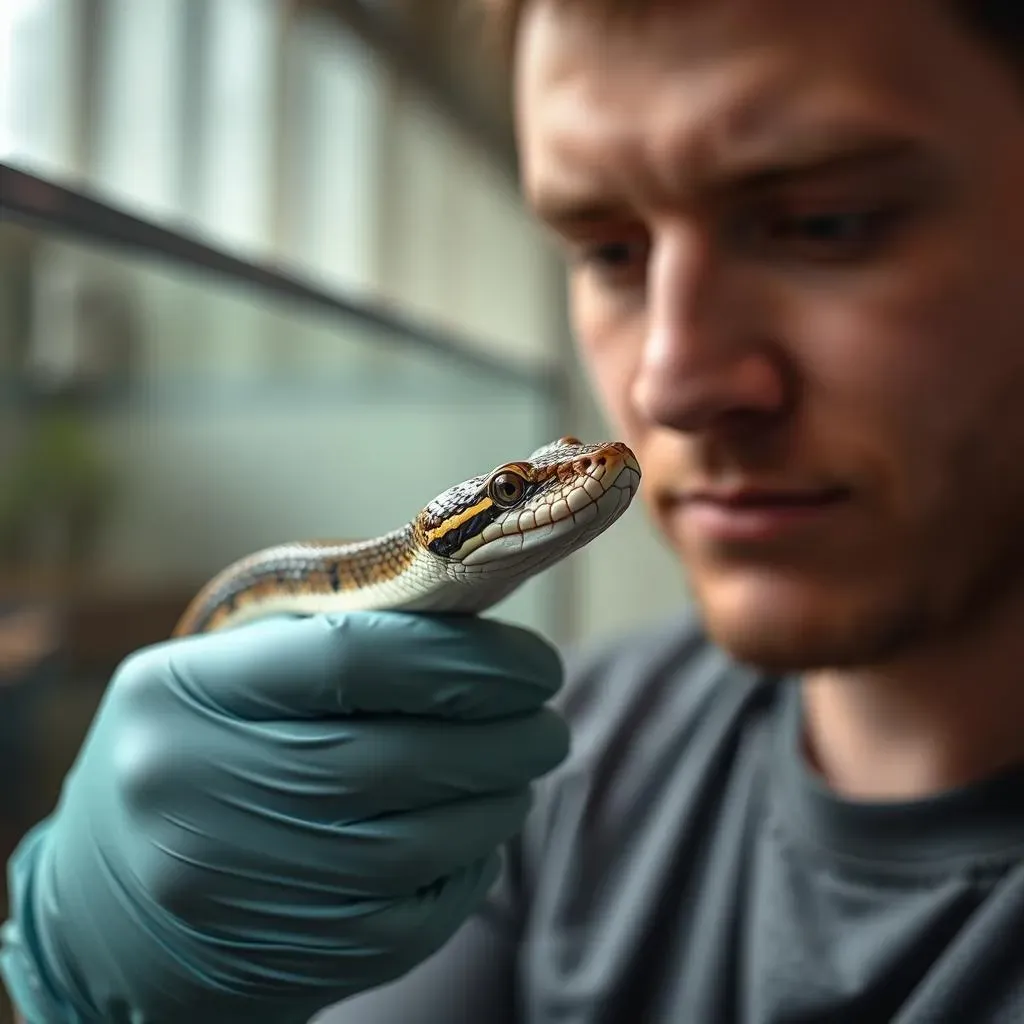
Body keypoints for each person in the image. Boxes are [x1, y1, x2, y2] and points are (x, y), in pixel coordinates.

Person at [4, 0, 1024, 1020]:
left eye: (827, 222)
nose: (669, 383)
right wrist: (81, 985)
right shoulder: (527, 766)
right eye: (609, 253)